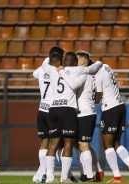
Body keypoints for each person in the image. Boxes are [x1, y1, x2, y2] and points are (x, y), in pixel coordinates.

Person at [42, 51, 102, 183]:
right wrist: (99, 62)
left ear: (63, 61)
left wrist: (54, 59)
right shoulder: (79, 71)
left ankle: (50, 177)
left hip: (53, 109)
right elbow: (94, 68)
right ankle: (65, 177)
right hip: (68, 109)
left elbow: (44, 64)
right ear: (75, 62)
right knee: (69, 144)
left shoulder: (52, 69)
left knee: (54, 144)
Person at [58, 50, 104, 182]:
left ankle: (89, 175)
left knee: (83, 144)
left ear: (83, 61)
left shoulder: (85, 74)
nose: (74, 63)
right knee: (80, 145)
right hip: (82, 113)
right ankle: (89, 172)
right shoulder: (90, 73)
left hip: (86, 113)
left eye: (77, 60)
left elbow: (72, 86)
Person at [95, 63, 129, 183]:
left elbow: (98, 98)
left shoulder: (97, 73)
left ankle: (117, 177)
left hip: (110, 108)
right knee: (116, 143)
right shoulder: (106, 66)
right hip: (120, 105)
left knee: (107, 144)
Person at [32, 47, 62, 183]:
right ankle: (47, 174)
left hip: (41, 109)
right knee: (56, 143)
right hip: (53, 110)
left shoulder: (41, 70)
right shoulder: (59, 71)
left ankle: (39, 175)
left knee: (44, 142)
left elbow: (34, 73)